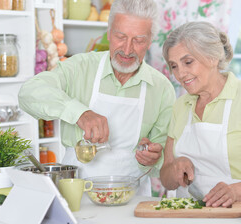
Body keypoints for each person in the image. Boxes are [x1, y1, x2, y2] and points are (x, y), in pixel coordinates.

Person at [18, 0, 176, 196]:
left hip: (131, 201)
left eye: (139, 40)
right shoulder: (80, 68)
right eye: (120, 36)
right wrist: (80, 113)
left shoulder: (162, 89)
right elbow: (29, 92)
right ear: (108, 33)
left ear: (150, 40)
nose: (127, 50)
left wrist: (153, 158)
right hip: (76, 196)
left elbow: (162, 160)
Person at [160, 21, 241, 207]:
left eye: (188, 62)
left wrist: (234, 191)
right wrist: (174, 169)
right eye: (174, 66)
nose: (180, 74)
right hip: (190, 216)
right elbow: (166, 178)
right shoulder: (181, 106)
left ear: (213, 58)